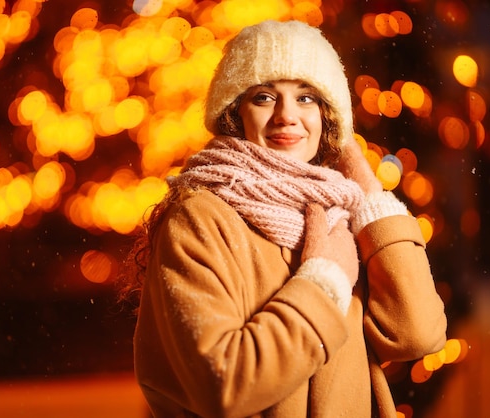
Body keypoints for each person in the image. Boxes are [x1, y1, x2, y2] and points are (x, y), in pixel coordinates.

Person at [122, 19, 447, 418]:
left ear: (328, 116)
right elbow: (223, 385)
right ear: (234, 111)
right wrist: (322, 283)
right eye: (263, 96)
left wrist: (371, 197)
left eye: (307, 98)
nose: (286, 116)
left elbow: (417, 335)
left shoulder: (338, 217)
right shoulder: (198, 217)